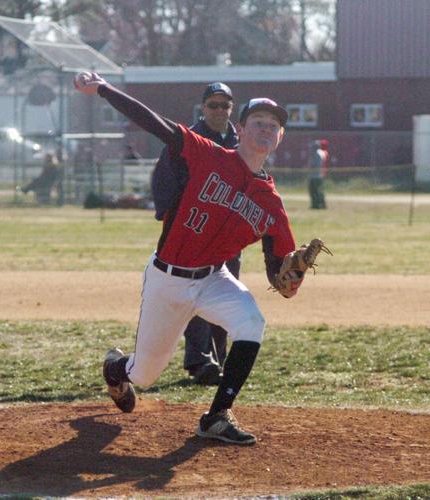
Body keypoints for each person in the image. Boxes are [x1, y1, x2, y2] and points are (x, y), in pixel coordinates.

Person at [74, 71, 304, 445]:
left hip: (214, 280)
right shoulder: (207, 153)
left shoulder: (272, 206)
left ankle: (216, 416)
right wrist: (103, 89)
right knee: (145, 373)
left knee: (251, 322)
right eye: (258, 122)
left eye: (274, 125)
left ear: (280, 137)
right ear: (240, 129)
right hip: (168, 279)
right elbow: (155, 123)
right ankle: (116, 368)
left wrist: (292, 277)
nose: (266, 129)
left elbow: (282, 279)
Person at [151, 82, 239, 386]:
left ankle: (221, 358)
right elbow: (164, 176)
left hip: (228, 233)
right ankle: (200, 360)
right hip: (195, 229)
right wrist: (171, 215)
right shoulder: (189, 139)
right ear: (202, 108)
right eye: (213, 105)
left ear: (231, 108)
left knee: (225, 296)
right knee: (198, 294)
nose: (219, 110)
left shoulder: (239, 142)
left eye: (224, 105)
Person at [308, 139, 329, 209]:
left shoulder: (317, 153)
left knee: (315, 191)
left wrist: (309, 165)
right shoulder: (320, 153)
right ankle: (320, 205)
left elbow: (314, 164)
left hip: (315, 176)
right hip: (318, 175)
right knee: (318, 191)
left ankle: (316, 205)